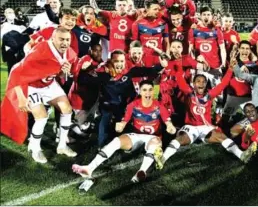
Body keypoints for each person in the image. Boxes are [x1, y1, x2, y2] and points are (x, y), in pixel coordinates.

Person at [72, 80, 177, 183]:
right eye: (144, 90)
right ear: (140, 91)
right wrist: (120, 126)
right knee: (116, 141)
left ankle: (141, 172)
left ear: (153, 91)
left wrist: (170, 128)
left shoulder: (159, 106)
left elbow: (168, 122)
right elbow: (124, 121)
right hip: (136, 136)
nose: (148, 93)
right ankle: (89, 168)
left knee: (155, 142)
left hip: (153, 138)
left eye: (150, 90)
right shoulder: (133, 105)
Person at [1, 27, 78, 163]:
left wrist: (64, 72)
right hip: (31, 85)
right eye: (61, 39)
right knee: (41, 116)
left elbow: (61, 75)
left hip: (48, 83)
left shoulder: (70, 54)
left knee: (67, 110)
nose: (65, 43)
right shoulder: (40, 51)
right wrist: (21, 98)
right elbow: (16, 72)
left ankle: (62, 146)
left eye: (67, 40)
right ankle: (35, 148)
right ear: (53, 38)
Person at [156, 59, 247, 169]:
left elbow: (223, 84)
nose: (201, 83)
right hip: (191, 127)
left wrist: (230, 69)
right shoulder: (189, 93)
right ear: (193, 84)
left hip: (205, 128)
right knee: (180, 139)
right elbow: (180, 80)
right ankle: (162, 159)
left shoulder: (209, 95)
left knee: (221, 136)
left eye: (203, 82)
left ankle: (242, 155)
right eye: (198, 81)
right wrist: (179, 65)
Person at [78, 50, 163, 148]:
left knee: (123, 120)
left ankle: (122, 141)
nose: (119, 64)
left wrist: (161, 65)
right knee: (105, 118)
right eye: (116, 61)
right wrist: (83, 70)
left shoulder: (129, 69)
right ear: (110, 61)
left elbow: (146, 71)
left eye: (122, 61)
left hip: (124, 102)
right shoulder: (103, 72)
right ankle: (101, 145)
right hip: (107, 102)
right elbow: (84, 80)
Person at [131, 0, 169, 67]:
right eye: (155, 9)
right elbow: (135, 44)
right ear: (147, 10)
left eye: (159, 9)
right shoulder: (137, 24)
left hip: (158, 57)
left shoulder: (163, 23)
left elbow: (166, 42)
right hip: (143, 58)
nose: (157, 11)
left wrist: (167, 56)